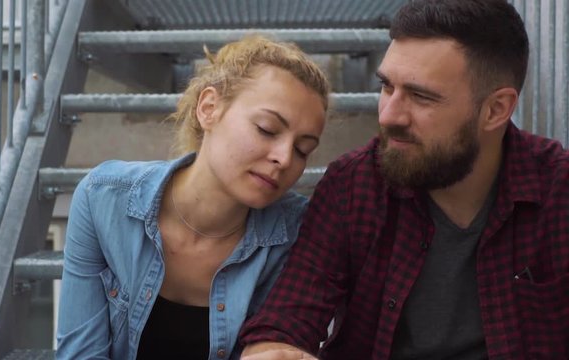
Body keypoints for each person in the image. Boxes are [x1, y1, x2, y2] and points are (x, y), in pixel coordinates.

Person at [239, 0, 569, 359]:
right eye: (386, 87)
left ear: (495, 110)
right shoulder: (354, 185)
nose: (388, 115)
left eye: (421, 96)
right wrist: (274, 351)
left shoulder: (558, 192)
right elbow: (287, 320)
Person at [55, 35, 330, 360]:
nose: (285, 159)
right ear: (208, 108)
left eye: (303, 150)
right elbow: (81, 354)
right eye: (267, 129)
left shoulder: (297, 231)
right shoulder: (103, 199)